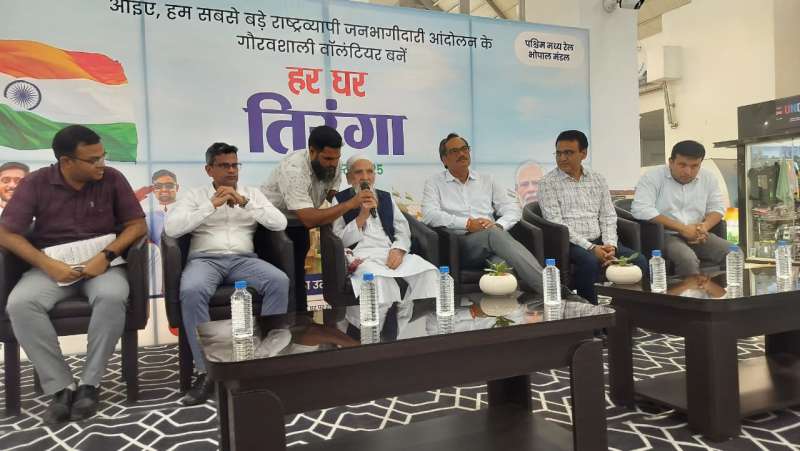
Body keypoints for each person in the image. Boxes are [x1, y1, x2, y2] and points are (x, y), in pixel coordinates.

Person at [0, 125, 146, 424]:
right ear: (66, 162)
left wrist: (106, 256)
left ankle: (90, 384)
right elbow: (5, 233)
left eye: (103, 156)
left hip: (101, 266)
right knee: (20, 304)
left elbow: (137, 225)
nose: (101, 164)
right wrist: (45, 263)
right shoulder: (36, 182)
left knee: (112, 296)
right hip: (52, 267)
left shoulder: (112, 179)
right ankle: (61, 387)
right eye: (93, 160)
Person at [164, 142, 289, 405]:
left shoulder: (251, 193)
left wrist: (245, 203)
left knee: (279, 281)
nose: (231, 170)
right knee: (191, 290)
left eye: (235, 165)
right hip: (205, 260)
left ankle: (263, 361)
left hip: (244, 260)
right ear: (209, 169)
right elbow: (172, 229)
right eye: (224, 166)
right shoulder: (195, 195)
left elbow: (280, 223)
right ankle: (206, 371)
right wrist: (211, 205)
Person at [262, 125, 374, 312]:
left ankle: (303, 319)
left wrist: (332, 210)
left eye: (336, 158)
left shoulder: (334, 163)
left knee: (301, 275)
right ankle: (283, 322)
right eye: (328, 159)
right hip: (273, 224)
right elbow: (308, 219)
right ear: (312, 151)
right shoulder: (293, 169)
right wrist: (349, 204)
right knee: (286, 276)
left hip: (299, 220)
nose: (333, 164)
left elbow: (331, 194)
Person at [422, 133, 543, 293]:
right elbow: (429, 215)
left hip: (493, 241)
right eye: (454, 151)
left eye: (464, 149)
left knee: (502, 268)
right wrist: (467, 224)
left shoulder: (487, 179)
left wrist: (499, 225)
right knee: (492, 235)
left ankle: (517, 304)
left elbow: (512, 208)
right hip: (459, 246)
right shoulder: (434, 183)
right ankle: (551, 289)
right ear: (444, 159)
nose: (461, 154)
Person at [538, 130, 647, 304]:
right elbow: (556, 223)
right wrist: (591, 248)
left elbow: (608, 215)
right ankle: (591, 313)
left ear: (583, 153)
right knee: (589, 262)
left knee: (639, 260)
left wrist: (610, 245)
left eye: (568, 153)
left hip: (601, 240)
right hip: (570, 243)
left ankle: (627, 310)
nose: (562, 158)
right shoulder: (547, 183)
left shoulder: (597, 179)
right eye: (558, 153)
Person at [331, 154, 439, 331]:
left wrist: (399, 249)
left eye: (369, 172)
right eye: (359, 172)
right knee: (379, 280)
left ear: (374, 175)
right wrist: (361, 217)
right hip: (362, 256)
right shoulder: (340, 200)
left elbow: (403, 230)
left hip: (389, 253)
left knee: (431, 273)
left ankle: (415, 325)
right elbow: (338, 240)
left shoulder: (386, 197)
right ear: (349, 178)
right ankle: (378, 334)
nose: (365, 177)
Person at [631, 140, 729, 275]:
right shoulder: (652, 176)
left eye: (694, 166)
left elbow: (717, 208)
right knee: (687, 259)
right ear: (671, 162)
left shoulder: (708, 178)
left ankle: (720, 288)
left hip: (698, 233)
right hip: (665, 234)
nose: (688, 172)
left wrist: (704, 227)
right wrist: (682, 228)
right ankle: (689, 290)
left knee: (733, 253)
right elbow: (641, 209)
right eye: (682, 165)